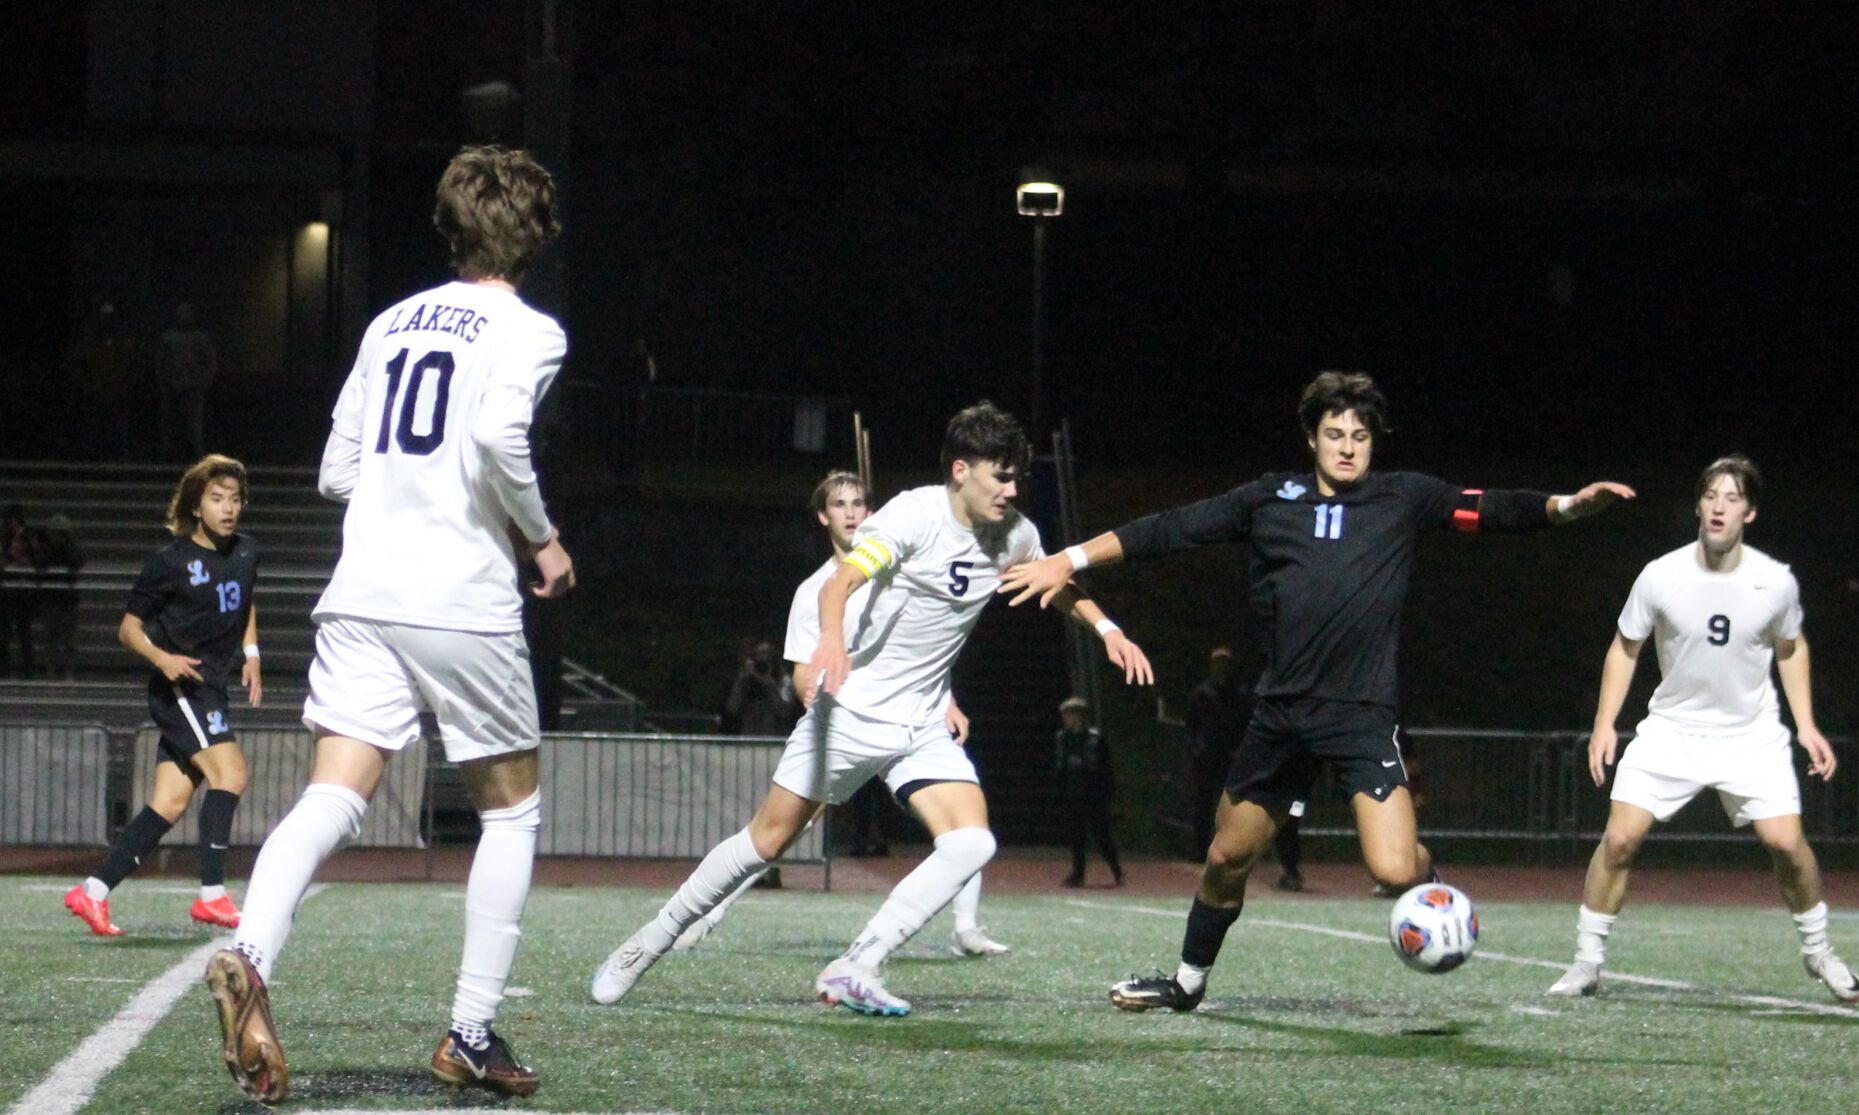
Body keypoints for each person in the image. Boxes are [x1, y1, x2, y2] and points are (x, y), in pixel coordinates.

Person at [999, 370, 1634, 1012]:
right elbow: (1170, 529)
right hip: (1280, 714)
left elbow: (1489, 506)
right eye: (1335, 434)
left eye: (1360, 435)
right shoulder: (1269, 499)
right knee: (1226, 856)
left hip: (1360, 715)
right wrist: (1069, 560)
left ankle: (1428, 877)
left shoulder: (1403, 498)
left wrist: (1567, 506)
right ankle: (1187, 984)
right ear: (1312, 439)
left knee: (1391, 870)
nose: (1348, 446)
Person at [203, 145, 575, 1103]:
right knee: (512, 808)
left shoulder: (388, 323)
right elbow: (496, 438)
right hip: (460, 597)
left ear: (450, 229)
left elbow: (336, 471)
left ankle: (250, 949)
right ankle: (470, 1030)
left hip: (362, 592)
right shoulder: (529, 330)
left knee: (332, 797)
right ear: (533, 234)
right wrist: (541, 539)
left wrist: (402, 505)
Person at [593, 403, 1153, 1016]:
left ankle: (857, 964)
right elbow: (840, 583)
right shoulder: (913, 515)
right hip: (853, 715)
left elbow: (1055, 581)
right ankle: (651, 939)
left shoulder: (1015, 532)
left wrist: (1107, 630)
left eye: (1017, 477)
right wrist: (831, 639)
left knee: (971, 844)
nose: (1012, 490)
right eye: (1001, 476)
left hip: (922, 723)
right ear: (961, 470)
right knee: (766, 842)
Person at [1547, 455, 1857, 1002]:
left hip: (1750, 735)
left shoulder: (1774, 581)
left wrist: (1806, 725)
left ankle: (1819, 952)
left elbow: (1791, 648)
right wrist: (1604, 724)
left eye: (1732, 497)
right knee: (1619, 838)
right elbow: (1625, 647)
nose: (1719, 506)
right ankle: (1586, 964)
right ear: (1698, 505)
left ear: (1750, 513)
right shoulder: (1661, 575)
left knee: (1785, 843)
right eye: (1711, 495)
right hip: (1673, 730)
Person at [673, 470, 1012, 958]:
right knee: (785, 830)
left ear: (872, 514)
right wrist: (827, 698)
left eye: (859, 503)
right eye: (840, 504)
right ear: (822, 516)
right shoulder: (814, 591)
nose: (851, 512)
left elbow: (925, 646)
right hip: (848, 724)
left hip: (906, 724)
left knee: (964, 814)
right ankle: (710, 909)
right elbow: (802, 674)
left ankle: (966, 926)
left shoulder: (900, 569)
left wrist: (947, 699)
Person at [63, 456, 260, 936]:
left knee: (169, 804)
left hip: (211, 686)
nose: (228, 508)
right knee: (231, 774)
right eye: (217, 499)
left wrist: (252, 652)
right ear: (197, 505)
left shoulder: (245, 551)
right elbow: (128, 631)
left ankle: (92, 891)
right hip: (181, 687)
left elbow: (244, 597)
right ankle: (212, 896)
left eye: (234, 499)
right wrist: (162, 659)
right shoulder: (169, 562)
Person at [1056, 696, 1125, 887]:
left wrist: (1108, 792)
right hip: (1074, 793)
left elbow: (1104, 767)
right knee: (1076, 837)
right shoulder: (1063, 738)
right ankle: (1078, 873)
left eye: (1070, 715)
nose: (1066, 719)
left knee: (1102, 836)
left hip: (1093, 795)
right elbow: (1061, 768)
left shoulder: (1095, 738)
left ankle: (1117, 871)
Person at [1185, 647, 1248, 853]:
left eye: (1225, 663)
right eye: (1218, 663)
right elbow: (1191, 724)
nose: (1221, 667)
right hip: (1206, 757)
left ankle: (1231, 847)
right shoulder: (1201, 693)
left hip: (1230, 758)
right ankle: (1200, 849)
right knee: (1202, 806)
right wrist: (1196, 748)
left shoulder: (1239, 694)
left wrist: (1240, 749)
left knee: (1232, 806)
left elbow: (1246, 723)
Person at [156, 302, 218, 462]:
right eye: (181, 314)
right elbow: (161, 362)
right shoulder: (168, 338)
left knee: (194, 424)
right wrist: (163, 382)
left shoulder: (201, 338)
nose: (184, 318)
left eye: (187, 314)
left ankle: (196, 454)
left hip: (193, 388)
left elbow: (210, 361)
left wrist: (204, 382)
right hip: (172, 387)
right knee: (171, 423)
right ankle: (169, 454)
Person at [37, 513, 85, 680]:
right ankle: (51, 669)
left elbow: (78, 561)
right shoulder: (46, 548)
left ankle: (68, 671)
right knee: (50, 637)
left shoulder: (72, 549)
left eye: (60, 533)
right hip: (50, 599)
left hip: (67, 600)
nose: (56, 537)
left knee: (69, 639)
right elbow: (40, 562)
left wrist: (65, 545)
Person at [1, 504, 38, 677]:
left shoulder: (29, 537)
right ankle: (4, 669)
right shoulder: (5, 538)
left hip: (22, 593)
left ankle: (28, 670)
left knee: (25, 633)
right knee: (4, 633)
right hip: (7, 591)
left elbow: (33, 558)